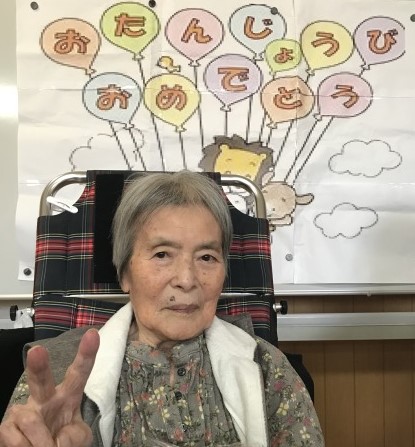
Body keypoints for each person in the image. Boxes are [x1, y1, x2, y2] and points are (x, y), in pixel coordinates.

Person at [0, 171, 324, 447]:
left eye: (207, 257)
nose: (186, 279)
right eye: (162, 254)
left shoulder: (267, 369)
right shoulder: (55, 375)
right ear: (125, 274)